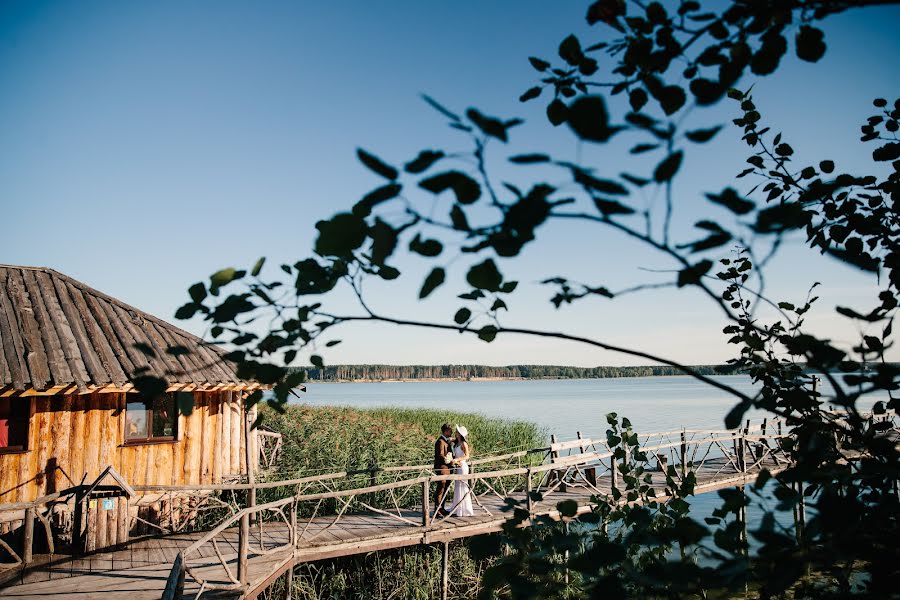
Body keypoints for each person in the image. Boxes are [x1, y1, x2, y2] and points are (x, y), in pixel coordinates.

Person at [450, 425, 474, 517]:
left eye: (457, 431)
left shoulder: (464, 444)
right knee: (457, 485)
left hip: (463, 466)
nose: (455, 432)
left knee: (463, 486)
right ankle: (457, 507)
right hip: (458, 467)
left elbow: (467, 456)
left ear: (460, 434)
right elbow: (452, 439)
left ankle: (464, 509)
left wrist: (457, 460)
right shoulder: (457, 442)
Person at [433, 423, 454, 516]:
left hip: (447, 469)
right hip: (442, 468)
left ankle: (442, 508)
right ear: (445, 431)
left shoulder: (446, 441)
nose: (451, 432)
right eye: (450, 431)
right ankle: (437, 510)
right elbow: (441, 455)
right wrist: (449, 460)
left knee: (445, 489)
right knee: (441, 488)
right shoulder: (441, 441)